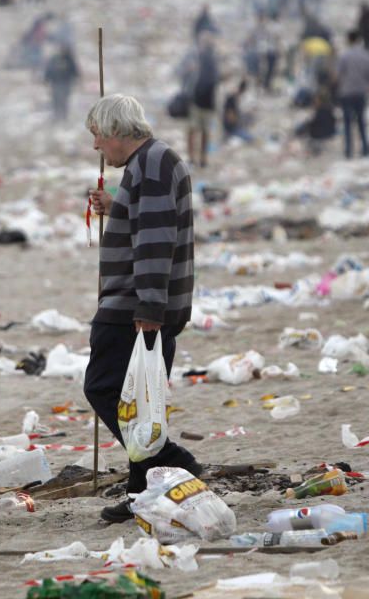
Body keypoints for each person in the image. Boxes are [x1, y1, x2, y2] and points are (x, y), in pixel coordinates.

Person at [84, 94, 203, 524]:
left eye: (98, 136)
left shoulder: (151, 165)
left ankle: (171, 459)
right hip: (140, 301)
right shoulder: (149, 164)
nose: (97, 146)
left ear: (116, 132)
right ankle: (141, 492)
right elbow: (150, 220)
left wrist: (150, 307)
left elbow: (156, 241)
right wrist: (117, 207)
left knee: (104, 387)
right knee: (142, 401)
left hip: (136, 304)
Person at [178, 32, 219, 168]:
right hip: (197, 102)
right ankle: (193, 158)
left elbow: (216, 79)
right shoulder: (194, 58)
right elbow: (182, 73)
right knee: (194, 130)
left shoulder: (211, 59)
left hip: (206, 103)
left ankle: (201, 159)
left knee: (202, 132)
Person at [336, 29, 369, 158]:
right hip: (361, 91)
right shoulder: (366, 55)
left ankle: (349, 151)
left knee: (347, 123)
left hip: (347, 92)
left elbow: (339, 74)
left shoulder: (344, 56)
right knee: (361, 122)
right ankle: (365, 148)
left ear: (348, 40)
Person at [44, 43, 79, 122]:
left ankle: (63, 117)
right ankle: (57, 116)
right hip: (56, 84)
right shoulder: (54, 59)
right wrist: (46, 79)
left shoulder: (69, 60)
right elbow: (49, 70)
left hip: (65, 84)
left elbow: (75, 72)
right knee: (56, 100)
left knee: (63, 100)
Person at [222, 78, 254, 142]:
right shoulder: (231, 100)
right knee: (250, 138)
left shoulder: (233, 99)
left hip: (234, 127)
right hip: (231, 129)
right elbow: (230, 118)